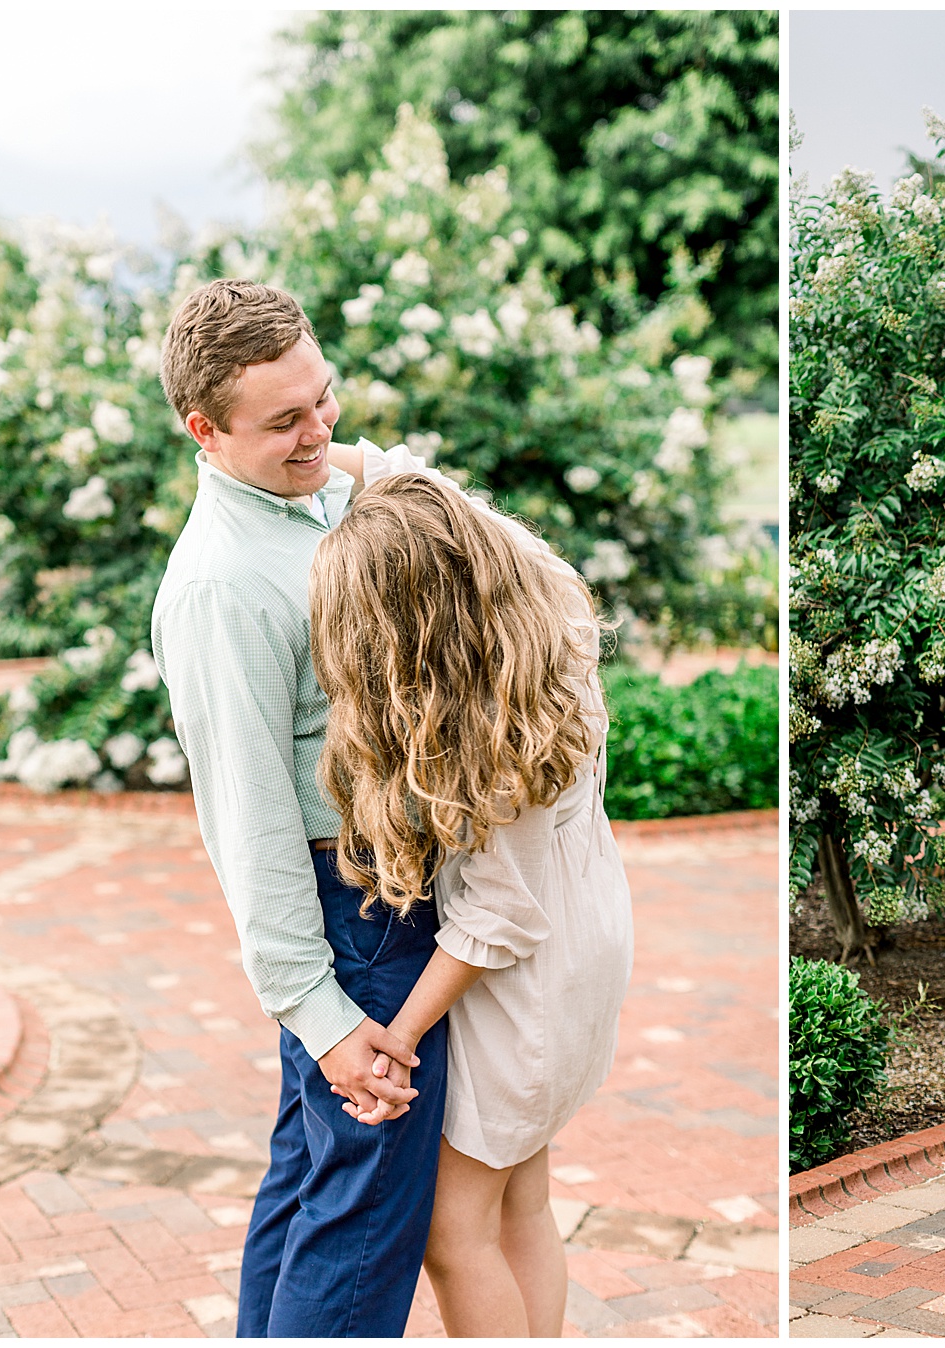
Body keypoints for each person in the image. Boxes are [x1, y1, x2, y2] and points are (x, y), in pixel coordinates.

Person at [152, 280, 437, 1337]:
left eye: (324, 398)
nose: (319, 428)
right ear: (206, 431)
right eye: (285, 420)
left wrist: (343, 455)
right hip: (354, 914)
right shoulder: (218, 588)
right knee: (365, 1217)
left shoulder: (312, 494)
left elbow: (410, 486)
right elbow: (250, 822)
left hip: (377, 897)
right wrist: (319, 1015)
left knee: (311, 1178)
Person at [306, 460, 634, 1337]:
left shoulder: (489, 725)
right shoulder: (548, 605)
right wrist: (334, 455)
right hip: (587, 936)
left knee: (456, 1237)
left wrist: (399, 1038)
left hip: (526, 986)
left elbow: (500, 914)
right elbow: (430, 491)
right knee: (522, 1202)